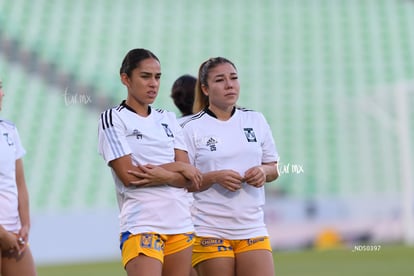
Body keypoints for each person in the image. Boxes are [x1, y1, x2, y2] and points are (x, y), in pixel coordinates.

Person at [98, 48, 202, 276]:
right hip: (142, 223)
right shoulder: (113, 118)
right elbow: (130, 176)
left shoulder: (168, 118)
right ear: (125, 78)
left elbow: (190, 179)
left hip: (180, 222)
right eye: (145, 76)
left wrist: (167, 174)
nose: (153, 83)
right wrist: (177, 167)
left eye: (157, 77)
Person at [181, 57, 280, 276]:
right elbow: (182, 183)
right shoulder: (191, 128)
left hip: (252, 227)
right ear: (205, 89)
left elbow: (273, 168)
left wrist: (263, 172)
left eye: (233, 78)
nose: (229, 84)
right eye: (220, 80)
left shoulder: (256, 120)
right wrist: (214, 177)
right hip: (209, 229)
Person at [0, 79, 37, 276]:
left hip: (12, 233)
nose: (2, 93)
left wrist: (25, 224)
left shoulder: (9, 130)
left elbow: (19, 182)